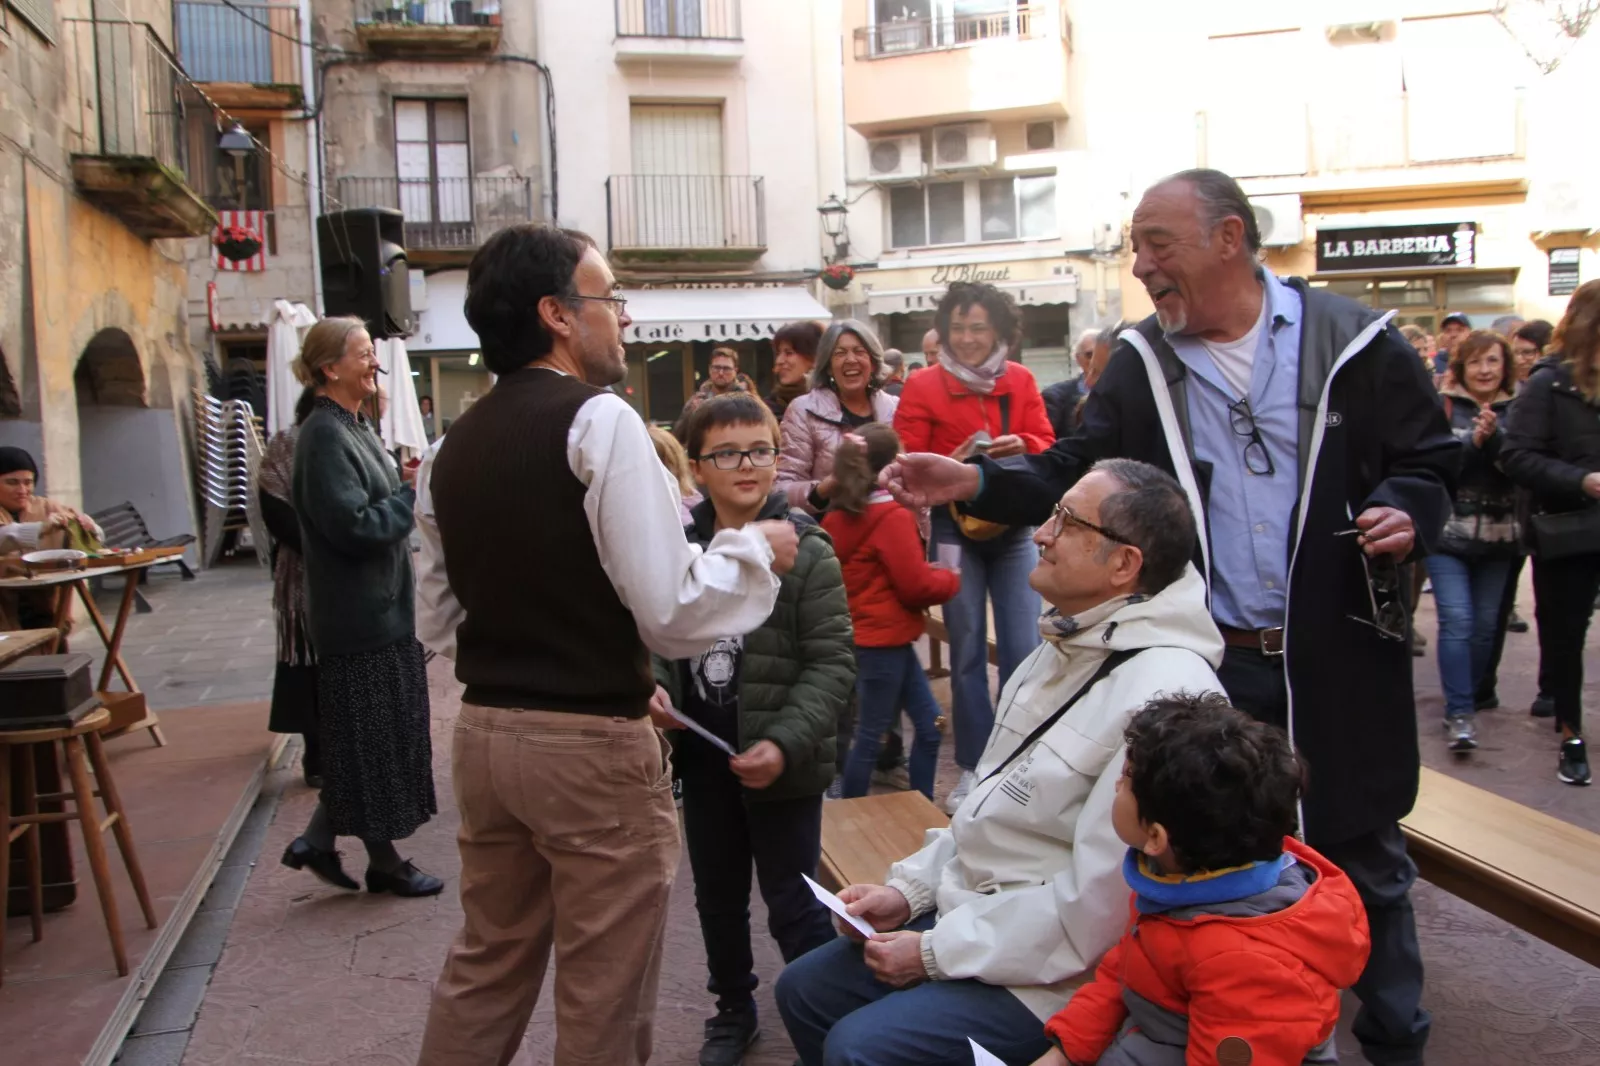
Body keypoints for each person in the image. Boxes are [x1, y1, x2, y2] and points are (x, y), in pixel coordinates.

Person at [881, 169, 1458, 1066]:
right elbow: (1076, 462)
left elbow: (1430, 460)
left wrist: (1408, 506)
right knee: (1199, 873)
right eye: (1135, 245)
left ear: (1229, 238)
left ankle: (1395, 1046)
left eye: (1158, 243)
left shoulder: (1357, 342)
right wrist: (976, 481)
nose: (1141, 264)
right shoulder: (1142, 361)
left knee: (1367, 863)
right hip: (1214, 668)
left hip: (1332, 659)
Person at [416, 225, 796, 1066]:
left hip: (486, 736)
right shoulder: (601, 422)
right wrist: (749, 550)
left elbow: (438, 619)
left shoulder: (450, 448)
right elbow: (672, 611)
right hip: (588, 746)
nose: (621, 318)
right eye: (609, 299)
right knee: (604, 991)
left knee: (487, 964)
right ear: (558, 313)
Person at [775, 459, 1225, 1066]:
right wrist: (909, 891)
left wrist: (933, 951)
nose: (1041, 532)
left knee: (861, 1048)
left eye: (1067, 521)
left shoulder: (1164, 695)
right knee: (803, 991)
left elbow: (1098, 912)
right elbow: (983, 805)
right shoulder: (1068, 644)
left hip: (1059, 977)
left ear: (1124, 564)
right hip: (983, 916)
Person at [654, 393, 855, 1066]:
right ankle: (733, 1007)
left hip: (783, 766)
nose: (748, 465)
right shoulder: (680, 550)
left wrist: (785, 741)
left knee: (795, 904)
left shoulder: (808, 549)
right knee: (716, 895)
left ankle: (823, 1016)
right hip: (705, 760)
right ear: (698, 468)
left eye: (761, 450)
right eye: (727, 453)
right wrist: (652, 683)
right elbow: (657, 631)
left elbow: (831, 663)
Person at [1035, 693, 1370, 1066]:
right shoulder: (1177, 880)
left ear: (1157, 837)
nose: (1116, 786)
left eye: (1127, 779)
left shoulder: (1245, 965)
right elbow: (1125, 973)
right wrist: (1064, 1052)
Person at [282, 316, 442, 898]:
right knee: (373, 742)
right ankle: (386, 864)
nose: (373, 362)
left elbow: (369, 498)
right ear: (330, 368)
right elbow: (353, 526)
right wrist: (409, 494)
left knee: (368, 741)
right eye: (364, 353)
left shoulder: (353, 424)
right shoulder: (323, 435)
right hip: (360, 618)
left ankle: (317, 842)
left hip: (382, 611)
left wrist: (398, 480)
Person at [894, 281, 1055, 813]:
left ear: (999, 331)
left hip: (1013, 530)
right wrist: (956, 457)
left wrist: (1022, 446)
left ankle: (1017, 760)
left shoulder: (1023, 380)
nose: (966, 338)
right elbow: (905, 453)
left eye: (978, 327)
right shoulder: (922, 385)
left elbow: (1049, 446)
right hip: (951, 530)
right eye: (958, 327)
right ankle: (972, 767)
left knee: (1023, 649)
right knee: (964, 650)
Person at [778, 320, 902, 788]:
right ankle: (830, 773)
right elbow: (782, 487)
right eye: (840, 353)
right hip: (831, 554)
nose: (851, 360)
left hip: (888, 553)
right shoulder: (803, 410)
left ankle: (885, 759)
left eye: (859, 351)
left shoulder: (895, 408)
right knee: (834, 663)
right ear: (827, 363)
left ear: (873, 359)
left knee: (887, 659)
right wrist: (824, 487)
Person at [822, 423, 958, 800]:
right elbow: (915, 586)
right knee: (870, 737)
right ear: (892, 464)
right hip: (884, 642)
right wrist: (950, 579)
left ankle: (921, 808)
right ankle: (852, 813)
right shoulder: (892, 517)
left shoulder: (838, 517)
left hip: (879, 639)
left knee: (929, 728)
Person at [1503, 279, 1600, 787]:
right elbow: (1516, 455)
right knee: (1565, 635)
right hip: (1570, 529)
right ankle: (1571, 734)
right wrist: (1581, 480)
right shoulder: (1548, 383)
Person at [1427, 331, 1519, 752]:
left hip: (1502, 536)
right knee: (1458, 622)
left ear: (1505, 367)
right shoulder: (1443, 405)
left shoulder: (1520, 407)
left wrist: (1497, 440)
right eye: (1476, 362)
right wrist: (1471, 441)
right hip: (1449, 534)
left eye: (1493, 362)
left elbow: (1525, 464)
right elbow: (1433, 461)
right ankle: (1459, 711)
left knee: (1484, 629)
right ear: (1461, 367)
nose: (1485, 371)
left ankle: (1470, 695)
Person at [258, 387, 324, 788]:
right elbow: (275, 511)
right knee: (314, 669)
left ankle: (323, 759)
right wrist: (328, 544)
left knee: (316, 668)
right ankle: (319, 757)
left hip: (319, 576)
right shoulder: (289, 444)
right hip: (308, 576)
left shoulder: (356, 434)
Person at [0, 447, 102, 631]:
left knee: (54, 645)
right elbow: (4, 537)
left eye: (28, 482)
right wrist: (41, 528)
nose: (22, 490)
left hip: (45, 605)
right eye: (12, 482)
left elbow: (96, 539)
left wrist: (89, 528)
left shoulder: (45, 506)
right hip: (5, 609)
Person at [1040, 329, 1099, 438]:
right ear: (1078, 358)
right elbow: (1046, 442)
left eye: (1101, 355)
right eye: (1090, 354)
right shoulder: (1055, 397)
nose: (1096, 360)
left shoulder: (1122, 393)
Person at [769, 320, 824, 419]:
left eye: (789, 353)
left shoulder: (836, 403)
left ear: (815, 357)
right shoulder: (768, 410)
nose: (779, 361)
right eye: (778, 353)